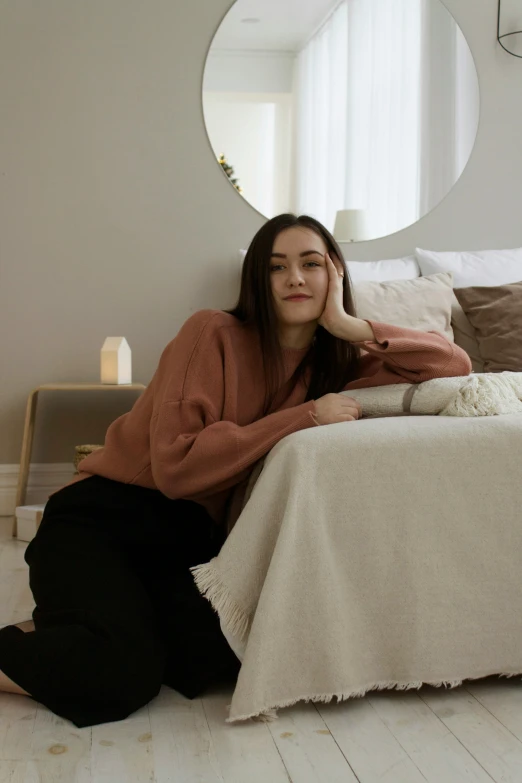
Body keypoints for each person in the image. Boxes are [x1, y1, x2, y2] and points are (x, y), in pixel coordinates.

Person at [0, 214, 472, 728]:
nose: (295, 277)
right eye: (277, 267)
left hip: (191, 542)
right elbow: (178, 467)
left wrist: (349, 326)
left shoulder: (338, 367)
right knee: (123, 675)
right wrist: (304, 416)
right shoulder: (211, 332)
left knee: (226, 655)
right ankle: (75, 631)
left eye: (311, 264)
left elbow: (453, 366)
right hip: (104, 519)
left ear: (334, 275)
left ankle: (69, 625)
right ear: (258, 281)